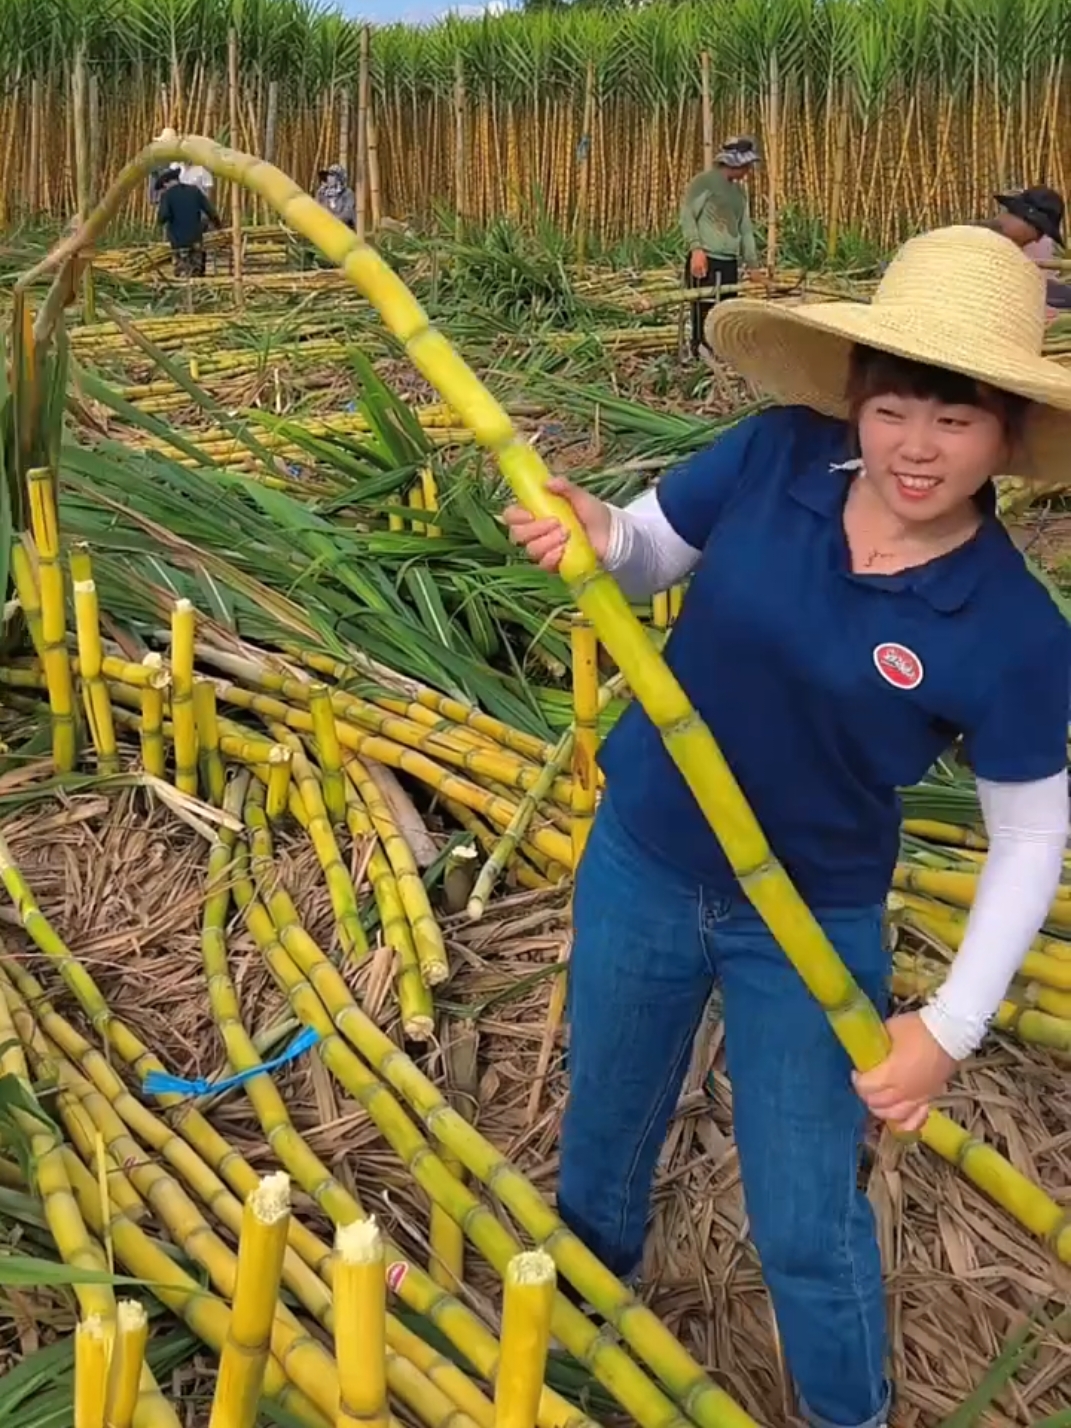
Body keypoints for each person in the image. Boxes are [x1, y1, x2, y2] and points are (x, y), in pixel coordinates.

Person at [503, 225, 1071, 1428]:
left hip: (809, 920)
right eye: (897, 408)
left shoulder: (1013, 628)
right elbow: (652, 549)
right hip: (645, 860)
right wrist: (597, 529)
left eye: (958, 422)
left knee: (807, 1221)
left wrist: (949, 1029)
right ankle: (560, 1368)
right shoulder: (775, 457)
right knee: (604, 1136)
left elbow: (1028, 839)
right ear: (856, 400)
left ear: (1008, 438)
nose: (918, 448)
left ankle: (845, 1414)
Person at [679, 137, 759, 358]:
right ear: (733, 163)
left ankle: (723, 355)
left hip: (729, 262)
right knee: (703, 312)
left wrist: (752, 264)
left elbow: (745, 229)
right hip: (707, 259)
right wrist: (696, 250)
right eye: (745, 166)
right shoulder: (703, 183)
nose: (747, 171)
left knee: (725, 315)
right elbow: (687, 217)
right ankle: (701, 357)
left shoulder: (739, 194)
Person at [156, 168, 221, 278]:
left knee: (180, 268)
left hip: (177, 240)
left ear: (167, 183)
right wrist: (218, 225)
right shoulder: (194, 191)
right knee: (196, 267)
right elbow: (210, 211)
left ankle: (181, 275)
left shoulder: (167, 195)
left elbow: (163, 217)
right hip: (195, 237)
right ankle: (197, 280)